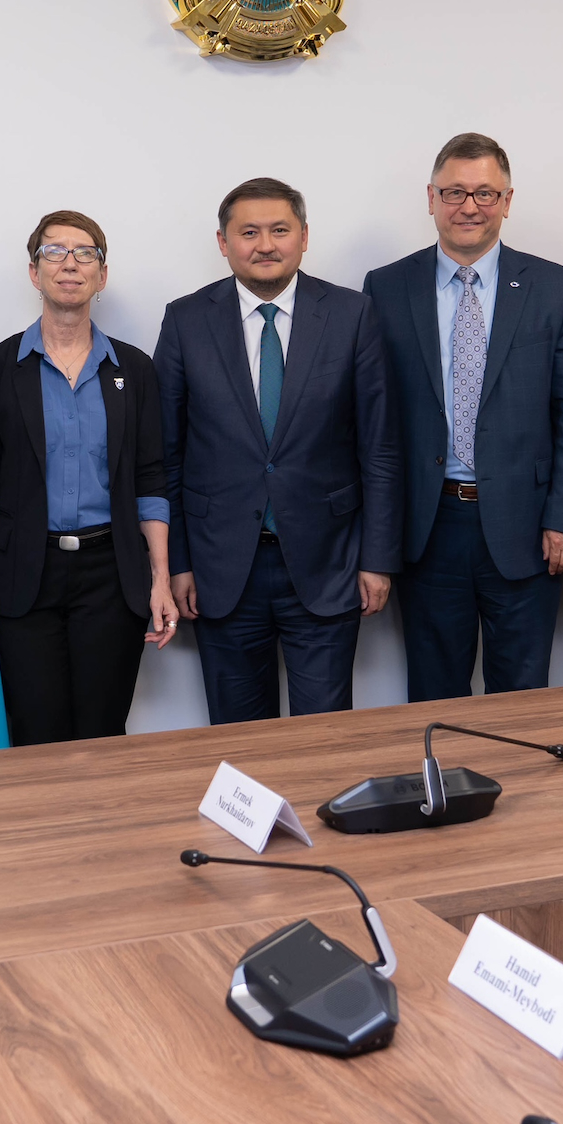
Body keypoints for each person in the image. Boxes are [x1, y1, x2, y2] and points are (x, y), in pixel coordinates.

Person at [363, 132, 563, 700]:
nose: (470, 206)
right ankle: (444, 793)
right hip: (428, 525)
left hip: (527, 525)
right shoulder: (386, 287)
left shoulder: (555, 287)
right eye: (455, 192)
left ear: (508, 201)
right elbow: (374, 421)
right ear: (431, 197)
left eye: (486, 194)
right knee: (435, 692)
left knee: (522, 694)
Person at [157, 177, 398, 721]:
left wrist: (377, 559)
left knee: (325, 734)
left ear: (304, 237)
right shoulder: (185, 320)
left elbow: (379, 448)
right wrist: (178, 562)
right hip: (220, 568)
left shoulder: (351, 314)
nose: (264, 244)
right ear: (223, 242)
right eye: (248, 232)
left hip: (328, 561)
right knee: (238, 740)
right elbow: (165, 456)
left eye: (279, 230)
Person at [0, 212, 178, 743]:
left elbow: (151, 481)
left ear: (101, 277)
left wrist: (160, 579)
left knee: (103, 731)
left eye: (85, 254)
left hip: (111, 575)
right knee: (36, 732)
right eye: (54, 252)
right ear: (33, 272)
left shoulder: (135, 369)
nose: (69, 264)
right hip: (22, 575)